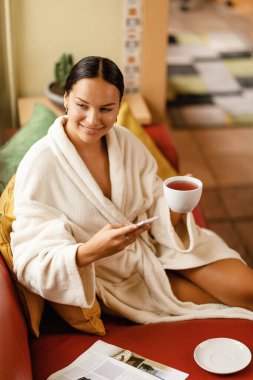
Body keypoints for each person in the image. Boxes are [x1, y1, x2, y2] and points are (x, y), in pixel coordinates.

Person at [11, 56, 253, 324]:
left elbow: (154, 201)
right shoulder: (40, 164)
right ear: (66, 98)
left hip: (162, 244)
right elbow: (29, 261)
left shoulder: (126, 143)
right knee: (226, 312)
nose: (93, 119)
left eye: (105, 109)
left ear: (118, 108)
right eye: (82, 105)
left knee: (248, 291)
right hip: (117, 275)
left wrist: (174, 203)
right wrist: (91, 250)